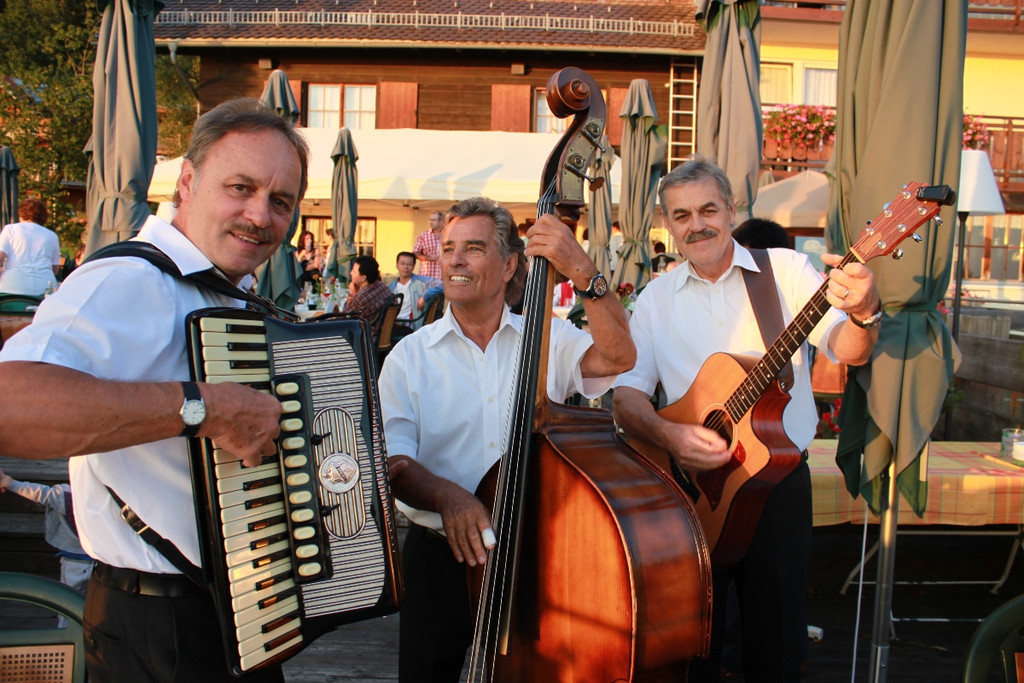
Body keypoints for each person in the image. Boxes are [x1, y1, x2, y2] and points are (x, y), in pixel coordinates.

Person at [0, 97, 309, 682]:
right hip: (157, 621)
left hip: (237, 613)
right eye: (239, 188)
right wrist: (205, 408)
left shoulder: (222, 293)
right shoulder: (130, 279)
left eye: (280, 201)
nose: (259, 215)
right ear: (188, 181)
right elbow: (11, 403)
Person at [612, 158, 881, 683]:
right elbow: (627, 400)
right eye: (682, 215)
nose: (698, 224)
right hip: (688, 488)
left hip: (775, 484)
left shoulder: (786, 272)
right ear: (668, 224)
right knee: (695, 642)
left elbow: (847, 350)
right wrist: (671, 437)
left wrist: (864, 314)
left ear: (731, 210)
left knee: (775, 641)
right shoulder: (654, 300)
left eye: (709, 209)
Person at [379, 196, 635, 683]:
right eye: (449, 248)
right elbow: (394, 464)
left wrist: (581, 269)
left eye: (473, 248)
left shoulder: (549, 339)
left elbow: (620, 357)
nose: (455, 259)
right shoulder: (409, 357)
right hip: (440, 557)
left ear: (509, 264)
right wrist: (448, 496)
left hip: (540, 557)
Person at [0, 467, 94, 627]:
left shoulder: (64, 496)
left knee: (68, 599)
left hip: (73, 560)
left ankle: (65, 631)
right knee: (95, 601)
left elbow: (39, 492)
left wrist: (11, 483)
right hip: (101, 561)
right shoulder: (104, 500)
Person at [0, 197, 61, 296]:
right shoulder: (52, 236)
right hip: (44, 289)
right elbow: (55, 269)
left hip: (11, 287)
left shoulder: (10, 229)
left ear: (21, 214)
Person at [390, 251, 442, 329]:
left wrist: (424, 297)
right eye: (402, 264)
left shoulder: (420, 281)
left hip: (411, 325)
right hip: (394, 323)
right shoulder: (391, 287)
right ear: (397, 265)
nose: (405, 267)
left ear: (414, 267)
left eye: (409, 264)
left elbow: (441, 284)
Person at [343, 254, 393, 336]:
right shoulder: (382, 286)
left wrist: (352, 293)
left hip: (367, 336)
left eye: (354, 271)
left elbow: (345, 318)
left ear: (363, 278)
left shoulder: (360, 298)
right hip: (384, 333)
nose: (351, 273)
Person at [414, 210, 444, 280]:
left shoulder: (447, 235)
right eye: (430, 220)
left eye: (434, 220)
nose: (431, 222)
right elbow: (415, 253)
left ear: (440, 221)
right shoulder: (423, 236)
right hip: (426, 276)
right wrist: (428, 258)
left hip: (442, 276)